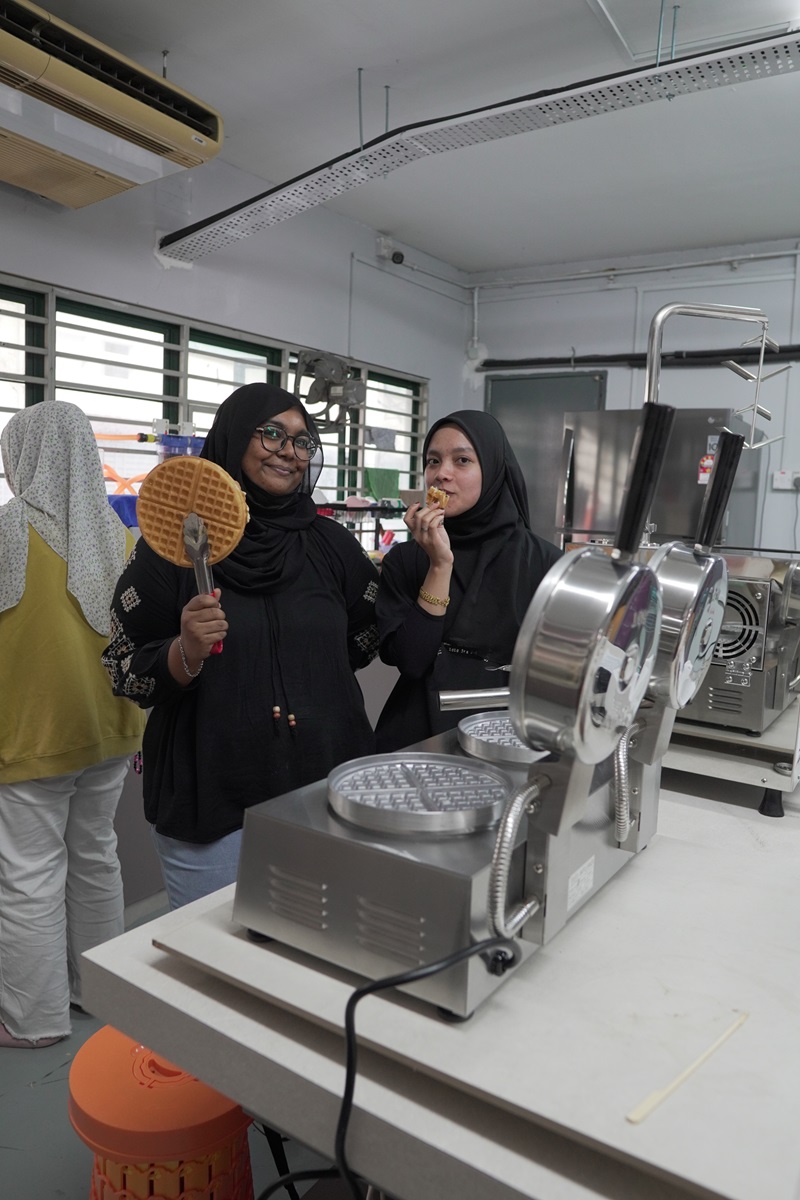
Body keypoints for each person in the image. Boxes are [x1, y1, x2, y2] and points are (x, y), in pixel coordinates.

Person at [103, 382, 380, 910]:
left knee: (316, 957)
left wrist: (304, 674)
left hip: (324, 793)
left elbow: (363, 639)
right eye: (271, 433)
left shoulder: (330, 545)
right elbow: (122, 668)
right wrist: (185, 651)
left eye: (302, 441)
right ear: (233, 437)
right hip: (213, 797)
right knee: (215, 968)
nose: (288, 452)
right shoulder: (177, 548)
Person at [0, 401, 145, 1049]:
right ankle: (103, 994)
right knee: (95, 857)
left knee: (29, 873)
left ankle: (34, 1023)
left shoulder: (7, 533)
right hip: (110, 731)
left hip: (30, 736)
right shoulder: (122, 540)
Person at [375, 408, 562, 752]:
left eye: (461, 461)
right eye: (433, 461)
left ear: (491, 470)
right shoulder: (407, 559)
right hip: (419, 739)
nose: (441, 474)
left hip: (507, 739)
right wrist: (440, 565)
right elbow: (412, 662)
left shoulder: (544, 563)